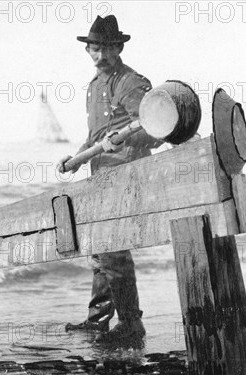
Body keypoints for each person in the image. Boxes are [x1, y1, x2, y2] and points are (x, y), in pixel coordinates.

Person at [57, 15, 163, 344]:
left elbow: (155, 131)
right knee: (102, 249)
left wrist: (124, 139)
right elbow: (94, 137)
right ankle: (98, 320)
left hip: (127, 176)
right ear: (87, 50)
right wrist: (74, 158)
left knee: (112, 249)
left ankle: (132, 323)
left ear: (118, 48)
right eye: (94, 49)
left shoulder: (132, 83)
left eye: (106, 49)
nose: (100, 55)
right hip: (100, 177)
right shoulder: (93, 88)